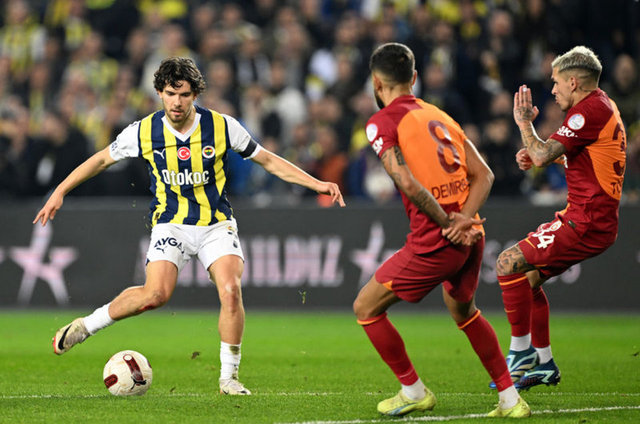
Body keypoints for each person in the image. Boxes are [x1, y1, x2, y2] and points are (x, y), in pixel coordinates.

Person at [34, 57, 345, 395]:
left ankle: (228, 378)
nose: (177, 102)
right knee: (155, 295)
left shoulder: (222, 126)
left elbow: (267, 159)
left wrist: (316, 183)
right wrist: (60, 191)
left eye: (184, 94)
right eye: (170, 94)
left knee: (231, 290)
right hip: (171, 224)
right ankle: (86, 326)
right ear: (159, 93)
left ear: (195, 94)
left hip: (216, 224)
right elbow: (100, 160)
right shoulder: (144, 131)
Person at [352, 42, 530, 418]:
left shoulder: (381, 121)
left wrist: (449, 222)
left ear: (376, 83)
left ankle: (413, 391)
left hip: (437, 237)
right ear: (414, 78)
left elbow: (406, 182)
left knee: (366, 307)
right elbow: (485, 175)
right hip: (471, 234)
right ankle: (510, 400)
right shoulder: (440, 115)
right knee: (465, 312)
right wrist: (465, 218)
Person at [495, 46, 626, 390]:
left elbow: (540, 155)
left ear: (573, 82)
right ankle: (544, 363)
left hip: (586, 220)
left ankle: (520, 352)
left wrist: (525, 124)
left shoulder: (588, 111)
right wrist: (541, 153)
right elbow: (583, 160)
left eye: (556, 82)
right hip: (590, 217)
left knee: (507, 263)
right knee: (527, 280)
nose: (553, 90)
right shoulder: (603, 106)